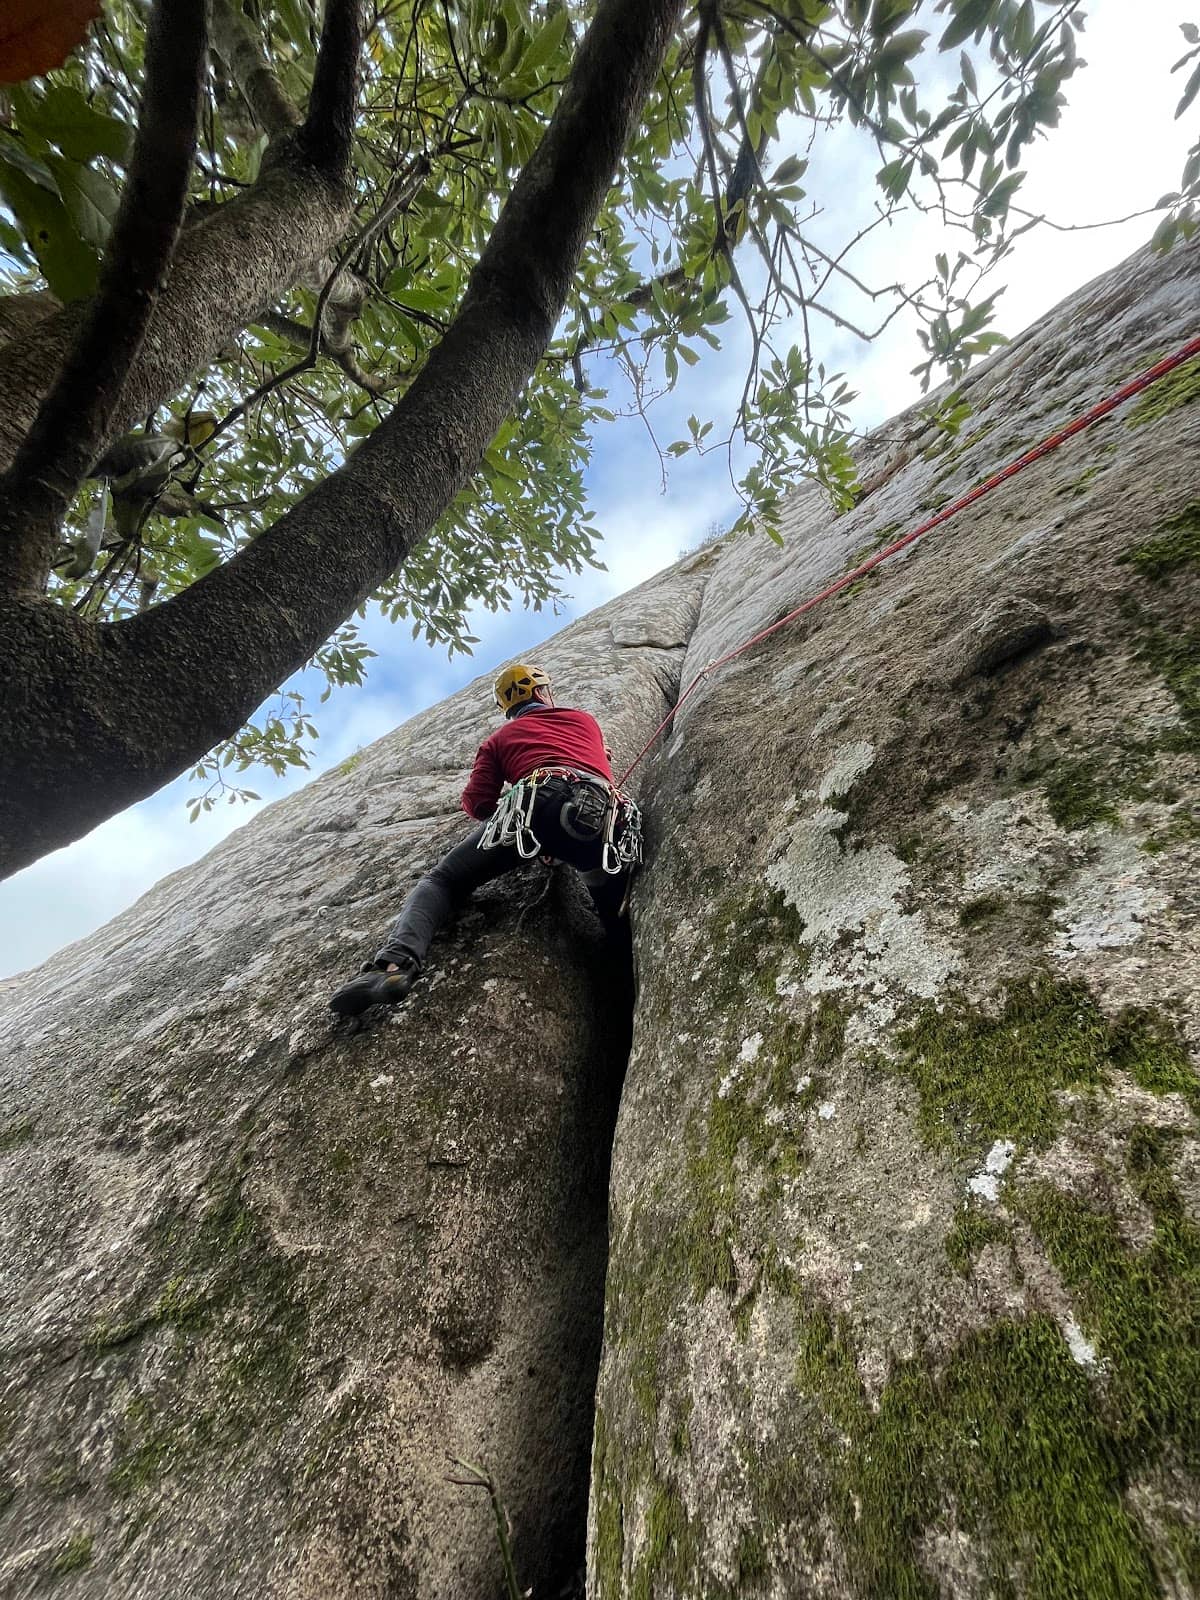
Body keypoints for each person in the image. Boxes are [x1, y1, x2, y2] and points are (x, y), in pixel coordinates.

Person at [328, 663, 642, 1017]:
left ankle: (394, 967)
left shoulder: (498, 741)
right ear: (541, 692)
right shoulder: (584, 720)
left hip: (538, 805)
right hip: (601, 820)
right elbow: (597, 757)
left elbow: (477, 802)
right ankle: (629, 983)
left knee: (442, 881)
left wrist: (522, 816)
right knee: (615, 915)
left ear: (510, 708)